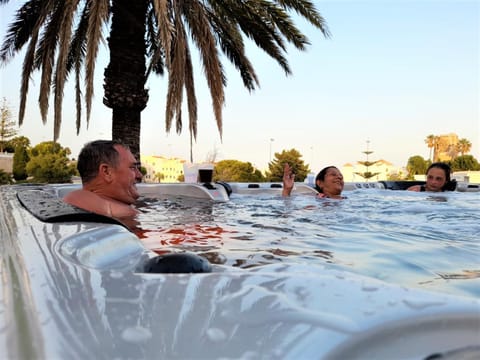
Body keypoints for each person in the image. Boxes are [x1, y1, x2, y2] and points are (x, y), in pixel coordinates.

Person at [63, 140, 144, 223]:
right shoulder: (78, 199)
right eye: (132, 168)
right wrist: (128, 212)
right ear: (107, 172)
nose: (139, 175)